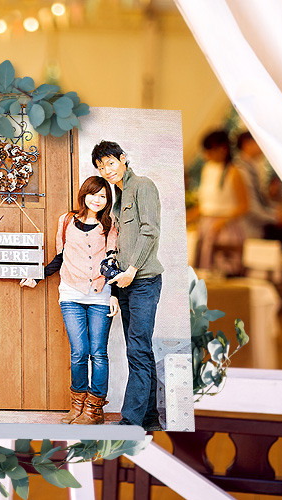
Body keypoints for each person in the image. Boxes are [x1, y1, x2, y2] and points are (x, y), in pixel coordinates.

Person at [20, 176, 120, 425]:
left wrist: (115, 295)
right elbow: (60, 257)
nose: (97, 200)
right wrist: (38, 276)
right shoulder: (66, 220)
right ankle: (78, 405)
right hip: (71, 294)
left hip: (100, 293)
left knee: (98, 353)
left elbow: (114, 262)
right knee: (79, 352)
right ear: (84, 195)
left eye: (103, 196)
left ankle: (94, 410)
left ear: (107, 200)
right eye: (93, 194)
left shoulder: (110, 225)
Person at [91, 140, 164, 430]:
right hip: (125, 283)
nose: (107, 170)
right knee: (140, 350)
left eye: (110, 163)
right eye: (101, 167)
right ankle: (150, 418)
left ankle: (131, 421)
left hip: (143, 281)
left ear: (123, 159)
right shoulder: (118, 196)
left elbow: (150, 231)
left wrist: (132, 269)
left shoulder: (143, 186)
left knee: (137, 349)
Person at [194, 130, 248, 275]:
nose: (207, 155)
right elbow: (205, 205)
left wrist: (223, 221)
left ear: (223, 149)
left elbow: (244, 206)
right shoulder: (207, 169)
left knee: (222, 269)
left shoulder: (234, 171)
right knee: (202, 268)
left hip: (225, 228)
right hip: (206, 225)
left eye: (210, 151)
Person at [233, 131, 279, 239]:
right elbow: (251, 206)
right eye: (258, 140)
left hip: (255, 226)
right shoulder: (240, 169)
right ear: (247, 144)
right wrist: (275, 217)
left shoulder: (250, 167)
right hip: (249, 230)